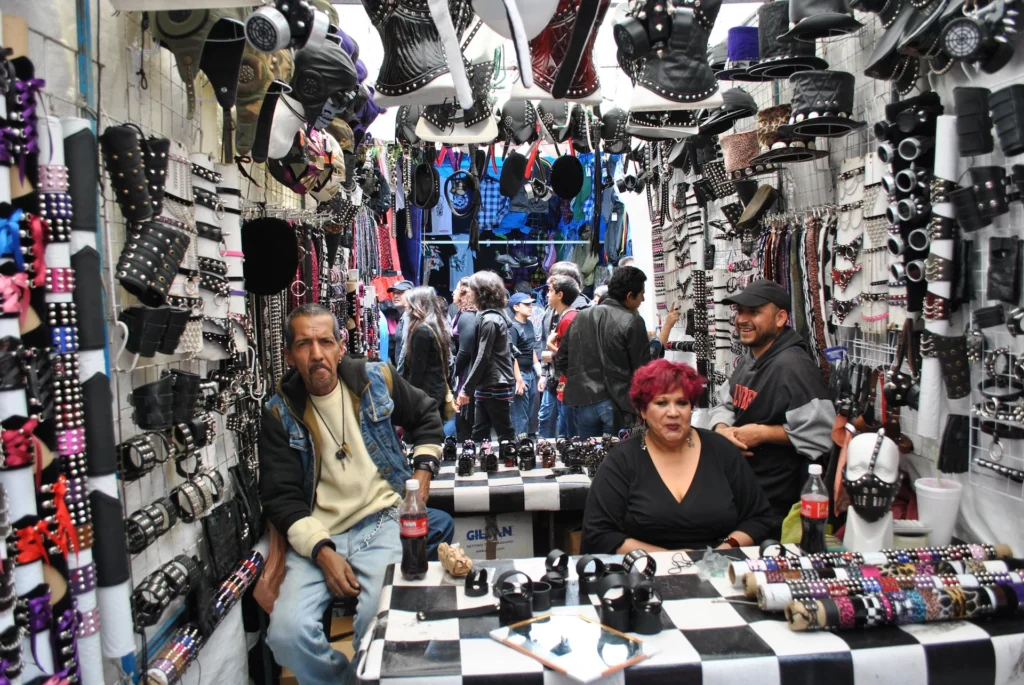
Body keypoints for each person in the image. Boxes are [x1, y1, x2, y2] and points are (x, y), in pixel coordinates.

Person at [260, 303, 454, 685]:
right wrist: (323, 551)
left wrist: (423, 474)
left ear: (340, 346)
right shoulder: (280, 413)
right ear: (289, 354)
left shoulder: (375, 379)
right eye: (303, 344)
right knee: (286, 635)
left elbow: (427, 417)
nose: (316, 354)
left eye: (325, 342)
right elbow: (280, 498)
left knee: (375, 620)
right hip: (318, 534)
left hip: (381, 520)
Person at [581, 359, 775, 553]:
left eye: (682, 403)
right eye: (662, 403)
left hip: (718, 570)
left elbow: (758, 518)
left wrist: (724, 549)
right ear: (643, 411)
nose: (673, 413)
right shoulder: (621, 461)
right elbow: (600, 533)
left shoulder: (722, 450)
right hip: (645, 573)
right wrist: (672, 559)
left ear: (691, 408)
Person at [708, 280, 836, 533]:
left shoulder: (792, 366)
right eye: (739, 311)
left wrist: (764, 433)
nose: (742, 319)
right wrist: (722, 430)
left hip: (777, 504)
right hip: (749, 493)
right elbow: (726, 402)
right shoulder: (751, 358)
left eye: (754, 312)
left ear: (780, 318)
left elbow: (824, 433)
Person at [555, 266, 652, 437]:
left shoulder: (581, 316)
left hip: (584, 401)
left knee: (589, 458)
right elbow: (643, 370)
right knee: (617, 459)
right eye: (641, 294)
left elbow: (561, 359)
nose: (643, 299)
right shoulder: (633, 321)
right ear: (630, 295)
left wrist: (580, 379)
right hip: (618, 403)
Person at [457, 271, 516, 442]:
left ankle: (510, 462)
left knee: (503, 431)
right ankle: (481, 463)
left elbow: (483, 356)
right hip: (489, 381)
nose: (470, 293)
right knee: (480, 431)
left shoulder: (490, 319)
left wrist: (467, 388)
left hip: (495, 382)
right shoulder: (492, 316)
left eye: (472, 289)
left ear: (481, 292)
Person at [537, 262, 588, 439]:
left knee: (567, 423)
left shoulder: (576, 312)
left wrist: (551, 350)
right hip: (556, 376)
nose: (546, 293)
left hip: (567, 378)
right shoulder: (554, 310)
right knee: (550, 419)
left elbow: (573, 352)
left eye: (550, 288)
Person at [400, 286, 453, 426]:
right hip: (435, 391)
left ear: (418, 306)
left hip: (425, 395)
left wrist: (409, 397)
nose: (407, 307)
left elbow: (417, 369)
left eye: (410, 304)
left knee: (422, 437)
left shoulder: (422, 331)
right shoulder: (437, 326)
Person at [508, 292, 538, 437]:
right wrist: (518, 379)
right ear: (516, 307)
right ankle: (519, 448)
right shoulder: (512, 327)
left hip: (530, 373)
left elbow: (530, 348)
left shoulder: (529, 323)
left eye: (530, 304)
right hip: (520, 375)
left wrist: (539, 372)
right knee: (520, 417)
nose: (530, 307)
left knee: (528, 414)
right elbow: (511, 355)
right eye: (526, 304)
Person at [451, 278, 478, 440]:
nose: (453, 293)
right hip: (464, 371)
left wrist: (453, 371)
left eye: (456, 290)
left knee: (466, 418)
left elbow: (465, 351)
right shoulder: (462, 313)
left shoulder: (468, 316)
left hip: (467, 371)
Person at [388, 279, 414, 369]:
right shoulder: (404, 316)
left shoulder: (408, 316)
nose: (395, 296)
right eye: (394, 293)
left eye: (400, 292)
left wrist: (400, 373)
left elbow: (405, 348)